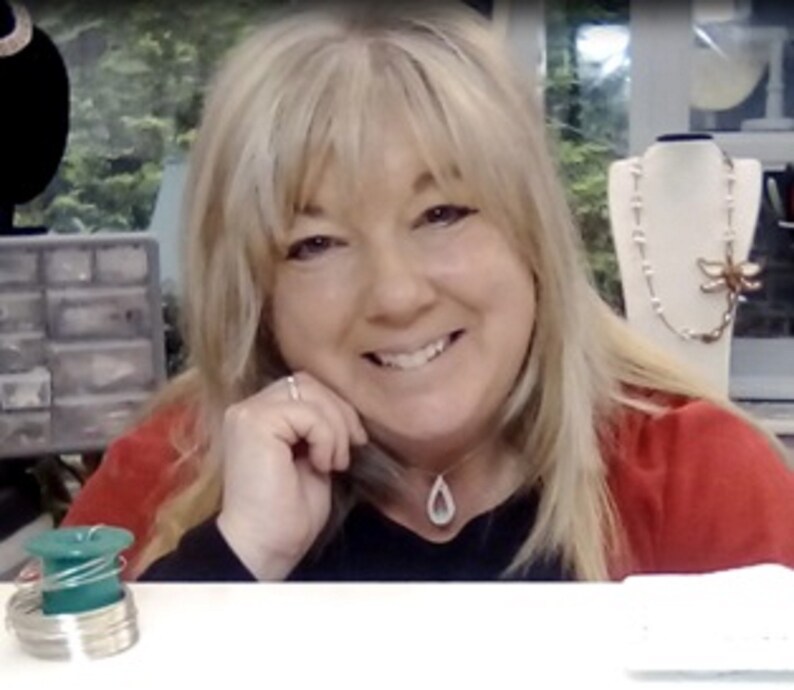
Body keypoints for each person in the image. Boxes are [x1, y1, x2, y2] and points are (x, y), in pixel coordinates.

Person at [63, 1, 794, 582]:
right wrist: (230, 558)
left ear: (532, 234)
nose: (397, 294)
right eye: (315, 243)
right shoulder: (167, 473)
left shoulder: (702, 478)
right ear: (256, 294)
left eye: (441, 213)